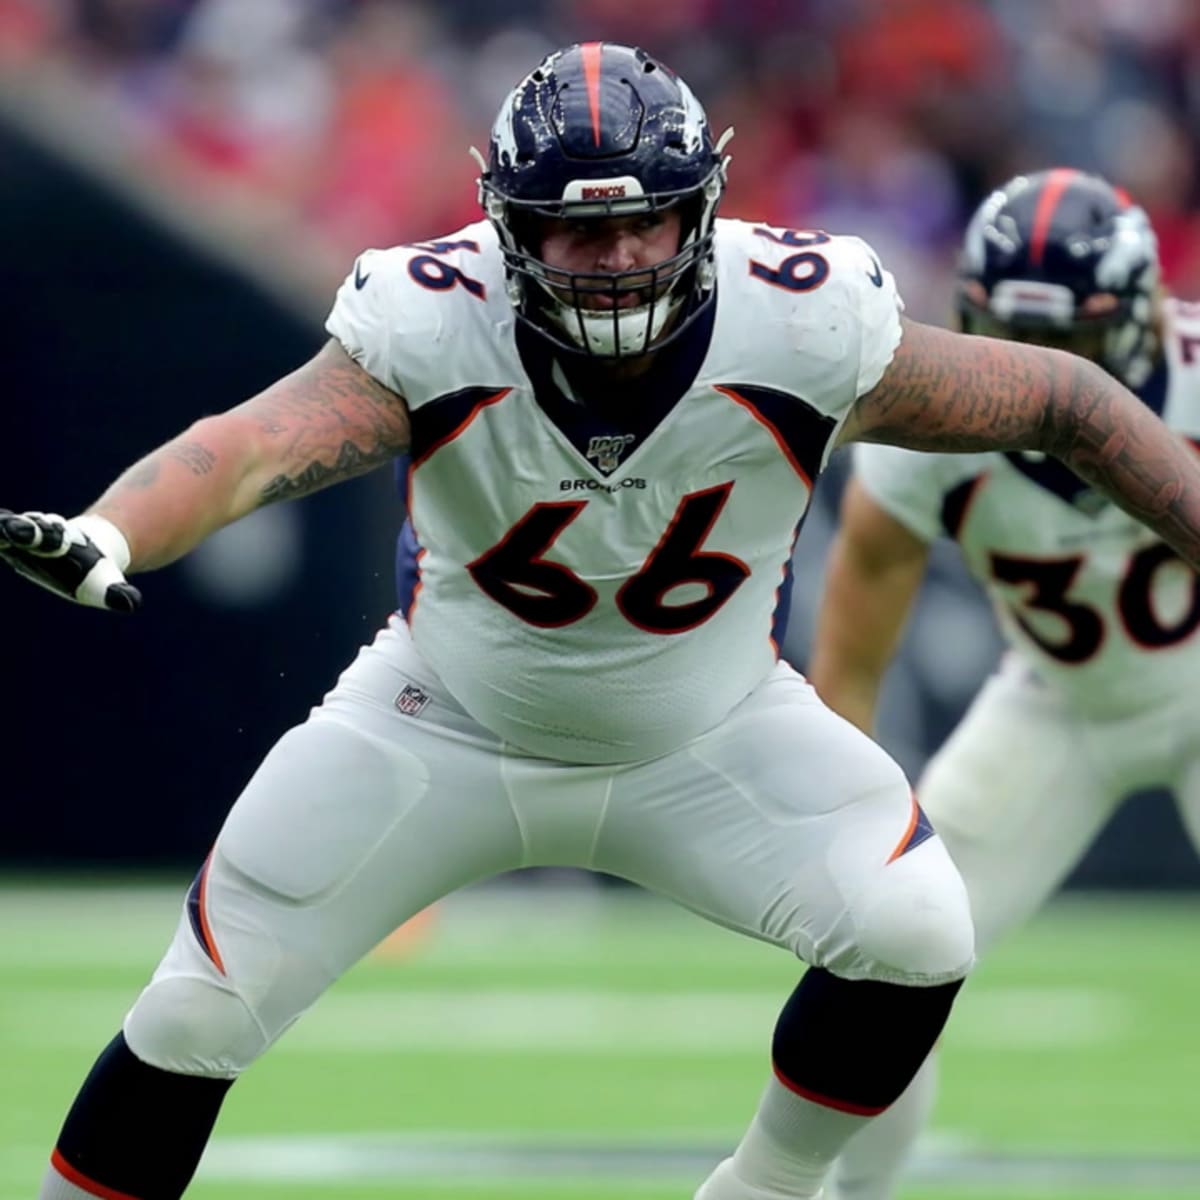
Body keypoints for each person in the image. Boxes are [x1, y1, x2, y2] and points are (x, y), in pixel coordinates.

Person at [4, 45, 1200, 1200]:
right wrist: (112, 528)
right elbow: (254, 446)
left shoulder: (804, 317)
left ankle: (768, 1191)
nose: (620, 256)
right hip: (441, 727)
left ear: (702, 211)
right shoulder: (435, 315)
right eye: (581, 229)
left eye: (646, 222)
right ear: (511, 230)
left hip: (709, 731)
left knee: (918, 928)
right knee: (191, 1010)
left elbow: (1069, 398)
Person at [809, 167, 1200, 1200]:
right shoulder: (935, 426)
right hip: (1056, 702)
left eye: (1074, 339)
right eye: (1016, 331)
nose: (1046, 369)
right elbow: (855, 641)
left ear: (1144, 318)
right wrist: (829, 811)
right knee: (883, 960)